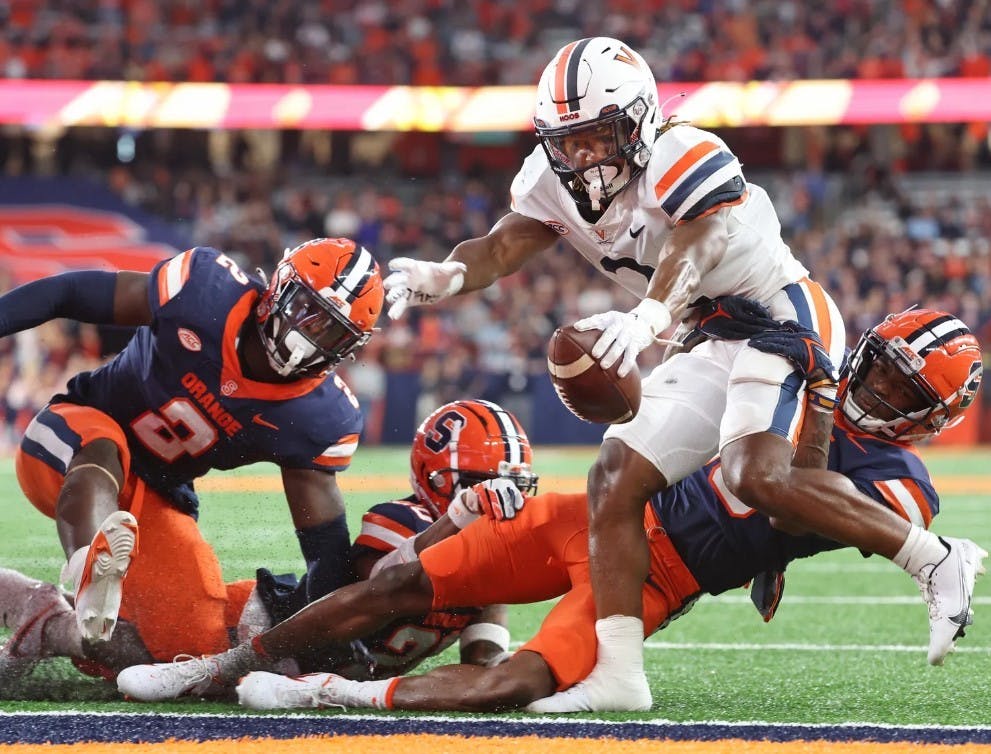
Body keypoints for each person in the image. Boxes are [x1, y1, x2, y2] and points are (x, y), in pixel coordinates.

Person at [381, 36, 985, 708]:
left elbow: (697, 241)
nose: (584, 156)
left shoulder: (684, 151)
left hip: (779, 315)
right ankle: (619, 674)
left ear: (640, 120)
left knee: (753, 475)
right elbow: (503, 244)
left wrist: (646, 318)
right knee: (614, 477)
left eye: (599, 136)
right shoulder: (550, 178)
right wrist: (448, 275)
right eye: (569, 141)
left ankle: (935, 558)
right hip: (704, 332)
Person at [116, 309, 986, 711]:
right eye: (874, 367)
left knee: (521, 682)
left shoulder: (903, 486)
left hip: (656, 578)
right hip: (601, 514)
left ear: (930, 418)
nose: (873, 389)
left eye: (897, 390)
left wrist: (815, 416)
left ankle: (330, 694)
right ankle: (218, 668)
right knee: (400, 581)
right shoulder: (798, 376)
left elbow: (797, 508)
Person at [0, 238, 383, 679]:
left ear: (348, 346)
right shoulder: (204, 291)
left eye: (330, 330)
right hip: (68, 444)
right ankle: (90, 566)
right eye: (305, 310)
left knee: (188, 645)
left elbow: (324, 548)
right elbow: (69, 293)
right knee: (103, 447)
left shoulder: (319, 414)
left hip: (155, 496)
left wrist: (334, 627)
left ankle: (50, 622)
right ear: (279, 288)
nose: (307, 336)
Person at [0, 398, 537, 689]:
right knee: (140, 654)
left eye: (515, 486)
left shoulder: (493, 556)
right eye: (486, 485)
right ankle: (42, 614)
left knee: (140, 651)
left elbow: (485, 654)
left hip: (299, 664)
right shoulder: (404, 521)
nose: (502, 498)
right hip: (267, 627)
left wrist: (501, 665)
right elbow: (389, 583)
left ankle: (48, 613)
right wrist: (458, 521)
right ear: (440, 480)